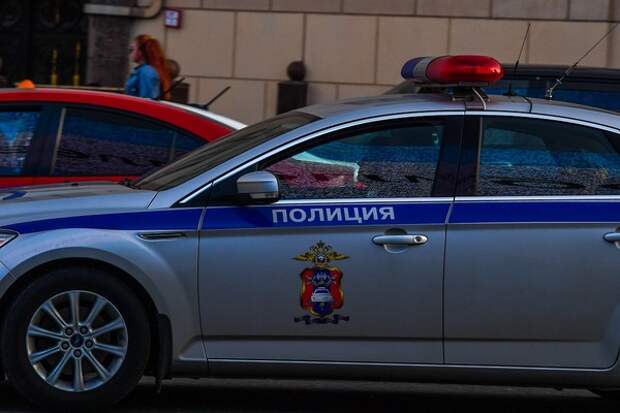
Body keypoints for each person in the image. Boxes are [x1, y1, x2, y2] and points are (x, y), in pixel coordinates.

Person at [125, 34, 170, 99]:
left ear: (140, 52)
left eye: (132, 49)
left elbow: (146, 100)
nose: (130, 52)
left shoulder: (146, 72)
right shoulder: (144, 70)